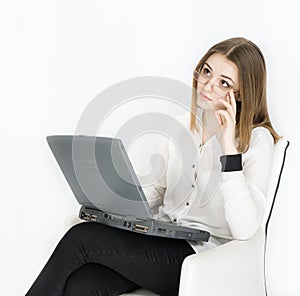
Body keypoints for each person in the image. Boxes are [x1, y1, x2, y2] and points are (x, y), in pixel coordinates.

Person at [25, 37, 281, 296]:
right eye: (206, 72)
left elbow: (245, 228)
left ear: (241, 93)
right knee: (82, 285)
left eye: (223, 82)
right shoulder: (182, 126)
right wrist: (112, 204)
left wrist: (229, 151)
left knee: (82, 238)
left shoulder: (257, 140)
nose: (207, 85)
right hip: (162, 241)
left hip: (204, 259)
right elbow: (155, 194)